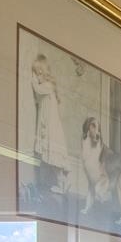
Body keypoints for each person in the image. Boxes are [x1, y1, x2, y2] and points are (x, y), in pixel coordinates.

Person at [28, 53, 75, 203]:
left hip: (52, 128)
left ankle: (62, 184)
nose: (38, 76)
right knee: (50, 160)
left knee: (56, 160)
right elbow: (37, 99)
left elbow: (37, 90)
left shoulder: (48, 86)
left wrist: (33, 79)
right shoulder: (46, 88)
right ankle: (57, 183)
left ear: (45, 72)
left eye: (39, 73)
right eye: (36, 73)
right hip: (47, 126)